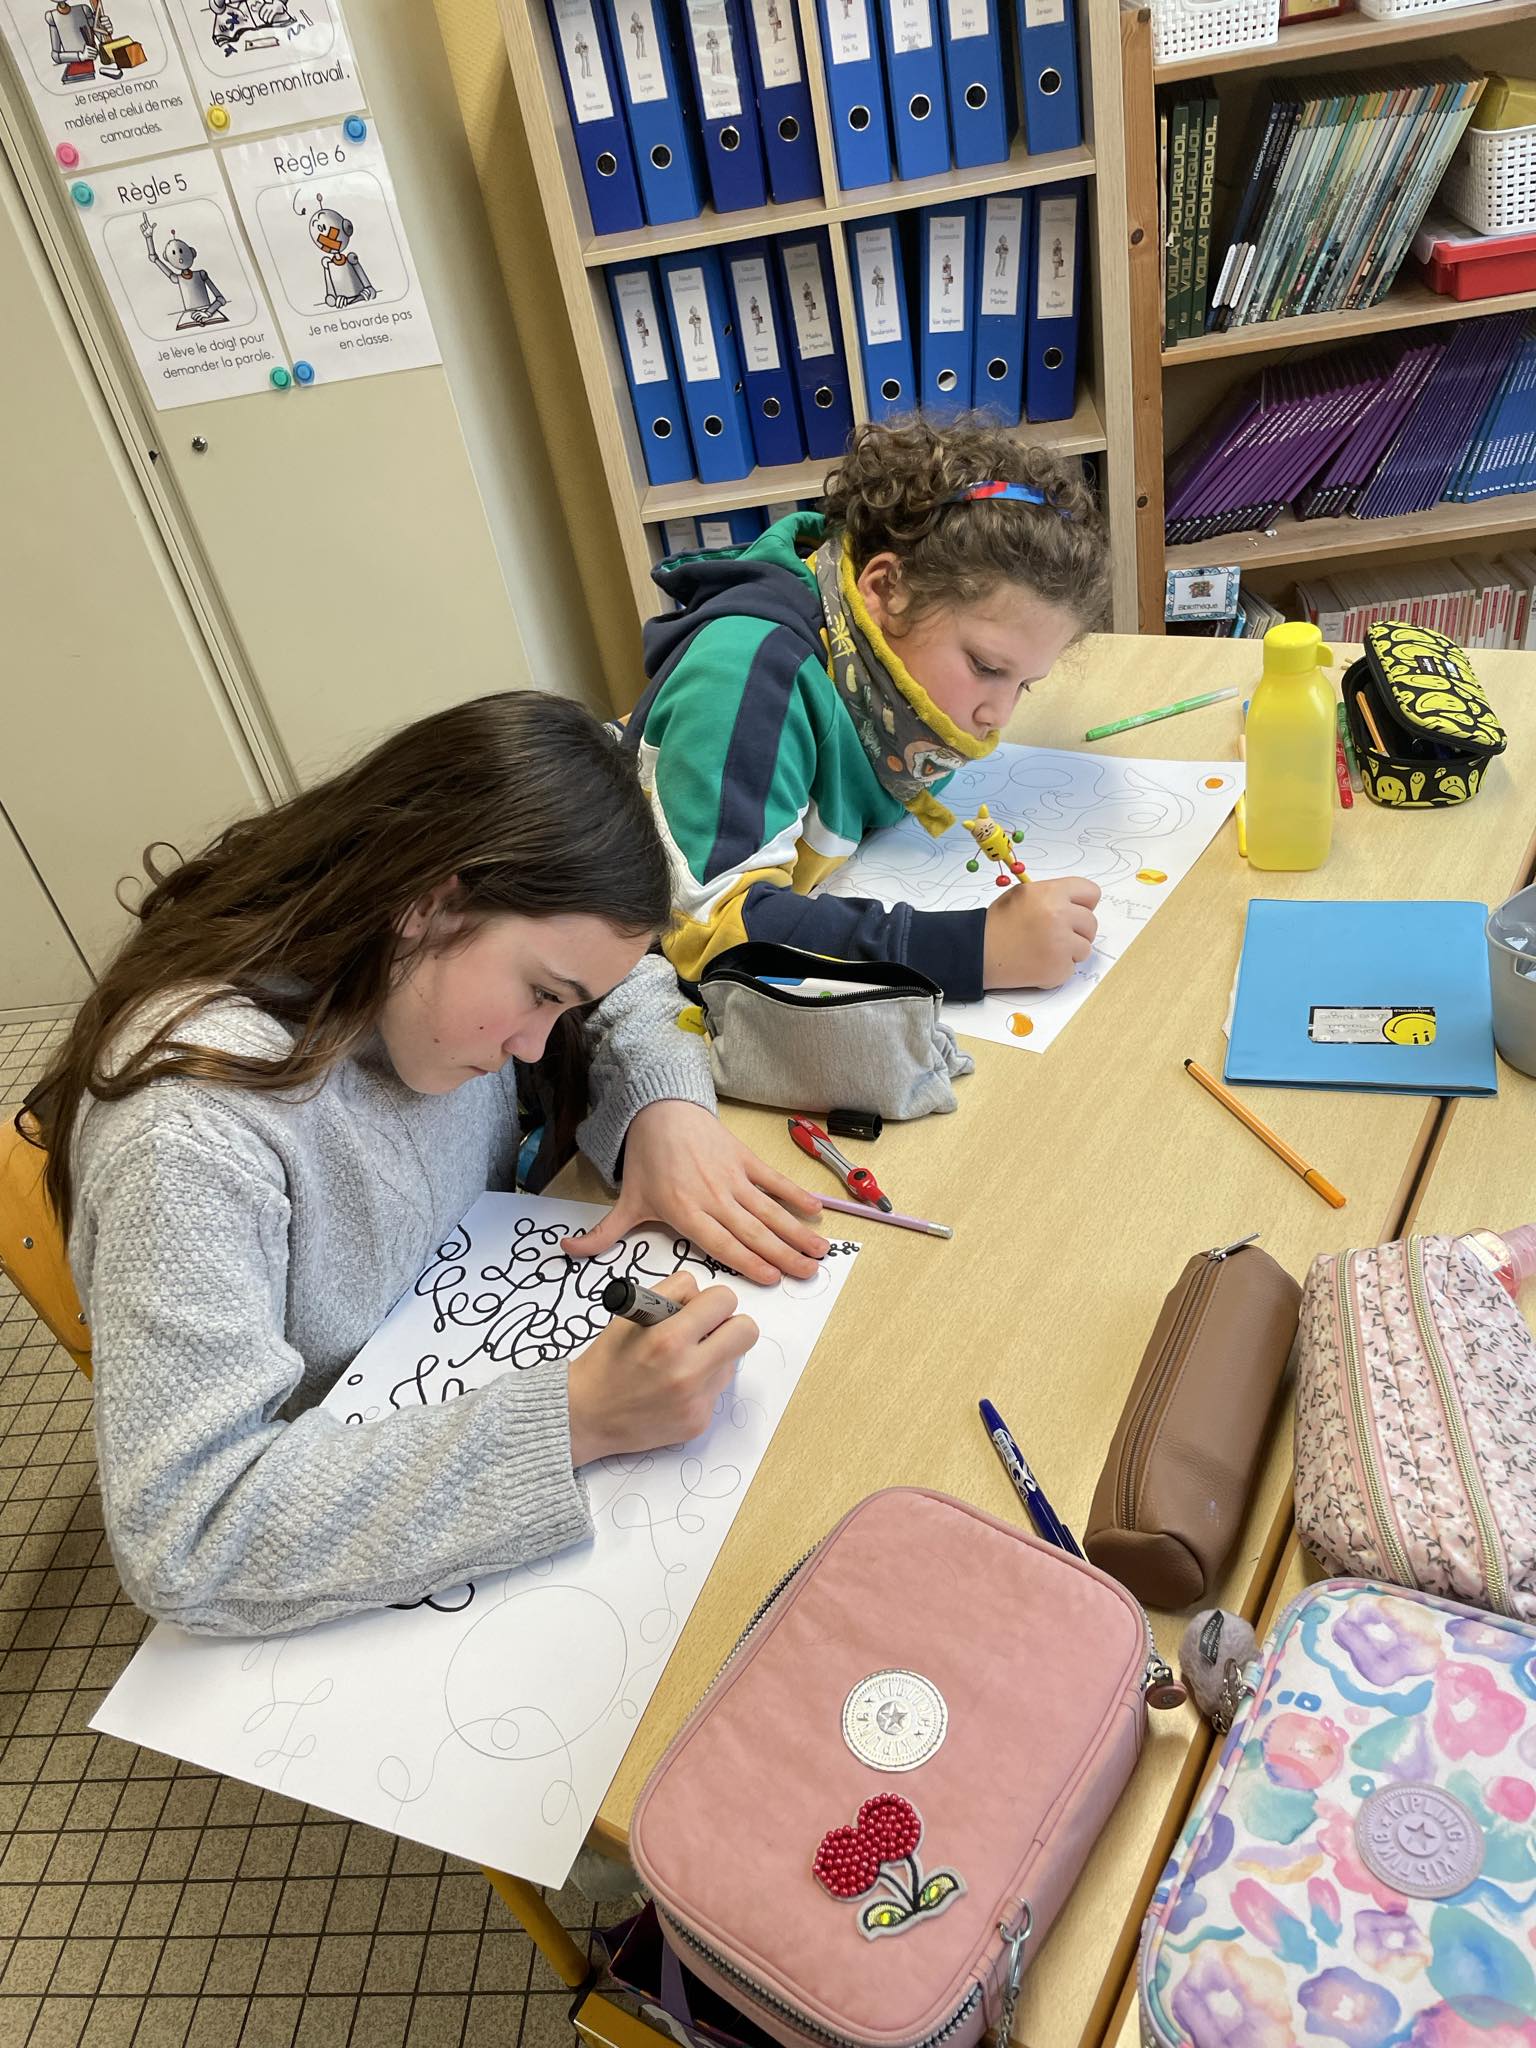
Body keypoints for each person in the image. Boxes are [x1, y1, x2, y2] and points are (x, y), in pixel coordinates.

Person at [24, 693, 827, 1638]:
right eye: (539, 995)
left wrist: (664, 1106)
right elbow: (187, 1534)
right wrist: (580, 1418)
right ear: (429, 903)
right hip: (338, 1536)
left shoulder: (401, 953)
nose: (535, 1047)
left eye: (563, 1010)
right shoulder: (188, 1136)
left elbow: (625, 976)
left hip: (447, 1369)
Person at [623, 414, 1114, 999]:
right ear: (885, 589)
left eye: (1024, 685)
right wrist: (976, 950)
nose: (997, 718)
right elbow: (713, 932)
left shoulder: (877, 679)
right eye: (986, 667)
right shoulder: (745, 675)